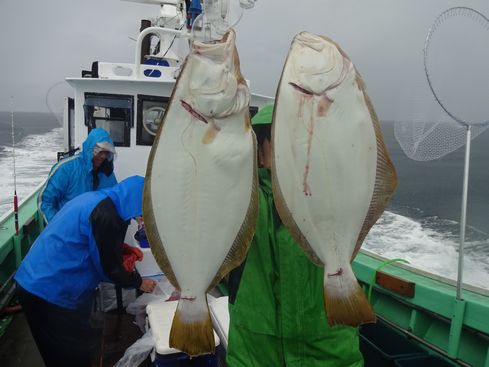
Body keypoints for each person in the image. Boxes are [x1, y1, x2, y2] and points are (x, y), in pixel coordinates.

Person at [226, 105, 363, 367]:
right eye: (280, 142)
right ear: (260, 154)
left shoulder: (333, 197)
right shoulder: (242, 200)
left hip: (328, 347)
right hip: (256, 350)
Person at [15, 175, 156, 367]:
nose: (142, 215)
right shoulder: (107, 215)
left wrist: (119, 249)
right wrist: (139, 282)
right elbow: (110, 269)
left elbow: (90, 242)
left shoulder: (99, 199)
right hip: (48, 292)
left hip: (36, 278)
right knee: (68, 357)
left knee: (72, 348)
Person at [38, 127, 118, 223]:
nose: (103, 156)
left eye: (106, 153)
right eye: (100, 152)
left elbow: (117, 198)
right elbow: (45, 201)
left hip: (93, 232)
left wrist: (135, 214)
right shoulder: (66, 169)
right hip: (67, 229)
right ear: (90, 149)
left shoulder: (107, 174)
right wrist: (57, 227)